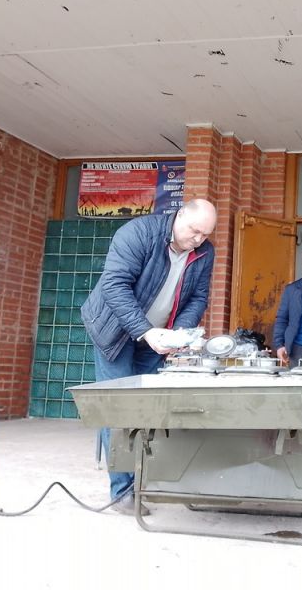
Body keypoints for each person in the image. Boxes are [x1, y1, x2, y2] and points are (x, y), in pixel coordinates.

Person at [81, 198, 217, 515]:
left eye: (205, 235)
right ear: (180, 215)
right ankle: (122, 492)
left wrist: (178, 333)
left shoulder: (205, 252)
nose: (198, 239)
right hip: (115, 331)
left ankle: (142, 480)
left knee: (147, 408)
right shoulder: (138, 233)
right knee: (118, 407)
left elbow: (198, 297)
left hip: (157, 339)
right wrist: (145, 331)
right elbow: (114, 285)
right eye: (194, 231)